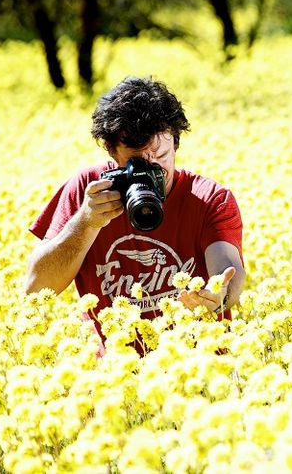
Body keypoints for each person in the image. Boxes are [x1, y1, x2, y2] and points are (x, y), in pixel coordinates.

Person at [25, 76, 245, 356]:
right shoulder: (88, 191)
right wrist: (86, 222)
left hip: (201, 374)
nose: (152, 171)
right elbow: (36, 288)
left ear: (176, 144)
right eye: (137, 163)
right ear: (112, 152)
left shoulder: (209, 198)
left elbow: (228, 268)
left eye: (161, 156)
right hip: (119, 382)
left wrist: (220, 296)